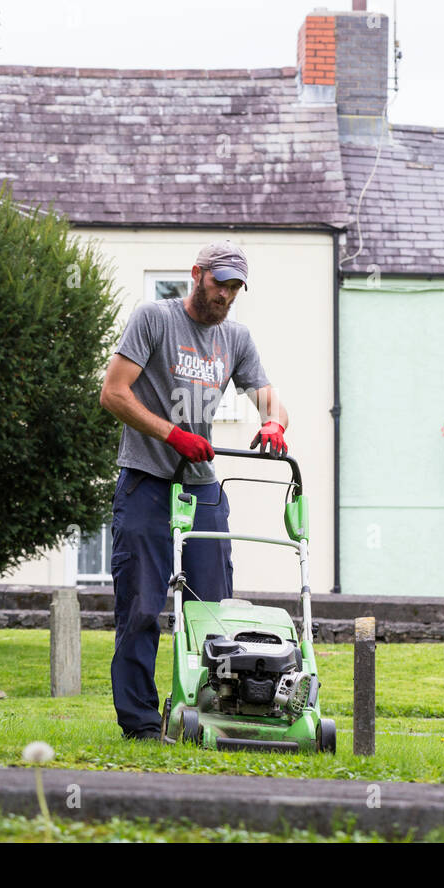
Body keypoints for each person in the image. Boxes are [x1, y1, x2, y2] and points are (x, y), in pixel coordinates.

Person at [98, 241, 290, 741]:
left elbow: (270, 400)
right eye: (218, 282)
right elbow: (113, 393)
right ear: (196, 275)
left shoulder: (237, 339)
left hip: (201, 490)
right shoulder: (154, 320)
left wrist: (273, 425)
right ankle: (140, 724)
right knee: (141, 606)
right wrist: (171, 433)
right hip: (146, 481)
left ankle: (213, 714)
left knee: (211, 611)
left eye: (234, 287)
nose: (224, 294)